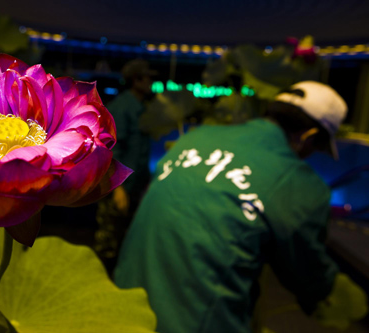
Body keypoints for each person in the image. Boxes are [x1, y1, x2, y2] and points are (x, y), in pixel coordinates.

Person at [114, 81, 367, 333]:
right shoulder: (299, 183)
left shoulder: (196, 137)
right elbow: (313, 281)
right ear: (308, 137)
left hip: (119, 307)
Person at [94, 59, 157, 265]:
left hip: (132, 186)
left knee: (124, 242)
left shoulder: (140, 107)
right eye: (148, 77)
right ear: (136, 80)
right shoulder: (122, 108)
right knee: (109, 243)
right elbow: (111, 150)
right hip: (118, 188)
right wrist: (118, 189)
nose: (151, 82)